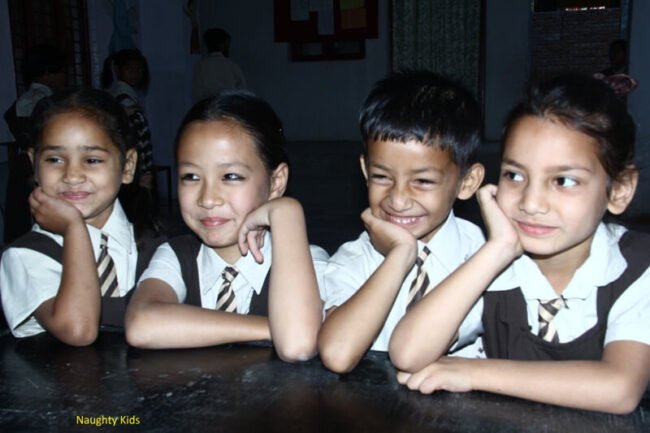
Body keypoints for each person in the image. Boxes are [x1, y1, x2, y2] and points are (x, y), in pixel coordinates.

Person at [389, 74, 650, 414]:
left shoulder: (636, 267)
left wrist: (473, 372)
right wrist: (497, 251)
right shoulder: (490, 267)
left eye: (563, 180)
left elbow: (619, 388)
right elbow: (407, 354)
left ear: (620, 190)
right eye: (514, 175)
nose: (531, 202)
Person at [125, 90, 327, 362]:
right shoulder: (177, 256)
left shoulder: (307, 263)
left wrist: (288, 213)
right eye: (191, 176)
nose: (208, 199)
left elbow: (297, 345)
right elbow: (141, 324)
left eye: (230, 176)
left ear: (276, 182)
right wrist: (272, 328)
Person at [317, 70, 486, 373]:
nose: (397, 200)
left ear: (467, 182)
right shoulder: (355, 258)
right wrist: (400, 255)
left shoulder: (481, 258)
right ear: (365, 171)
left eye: (422, 181)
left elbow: (416, 350)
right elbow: (338, 354)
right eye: (382, 176)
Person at [0, 88, 163, 345]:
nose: (72, 175)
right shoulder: (26, 255)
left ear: (128, 166)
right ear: (34, 164)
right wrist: (74, 229)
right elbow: (78, 330)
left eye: (92, 160)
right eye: (55, 159)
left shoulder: (158, 246)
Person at [3, 44, 67, 243]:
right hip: (34, 165)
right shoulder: (38, 101)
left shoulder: (33, 99)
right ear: (47, 72)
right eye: (60, 71)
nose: (64, 77)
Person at [101, 48, 154, 190]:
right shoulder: (123, 97)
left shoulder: (119, 93)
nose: (135, 74)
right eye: (130, 70)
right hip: (132, 163)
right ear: (118, 70)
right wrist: (145, 168)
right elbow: (136, 137)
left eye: (139, 70)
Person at [191, 27, 246, 103]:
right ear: (221, 45)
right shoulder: (232, 66)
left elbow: (197, 94)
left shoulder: (200, 67)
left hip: (209, 107)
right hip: (229, 106)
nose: (228, 48)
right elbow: (242, 92)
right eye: (227, 44)